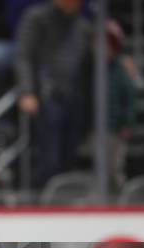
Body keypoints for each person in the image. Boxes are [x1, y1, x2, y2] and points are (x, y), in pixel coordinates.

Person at [15, 0, 93, 187]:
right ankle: (43, 201)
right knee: (49, 157)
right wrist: (26, 91)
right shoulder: (37, 18)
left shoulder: (83, 26)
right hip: (48, 96)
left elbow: (94, 61)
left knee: (69, 156)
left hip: (75, 98)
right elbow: (24, 56)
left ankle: (63, 198)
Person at [106, 19, 137, 191]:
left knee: (115, 166)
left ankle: (119, 200)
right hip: (100, 128)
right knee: (102, 168)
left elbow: (130, 99)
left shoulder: (121, 70)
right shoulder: (94, 69)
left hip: (117, 128)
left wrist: (127, 123)